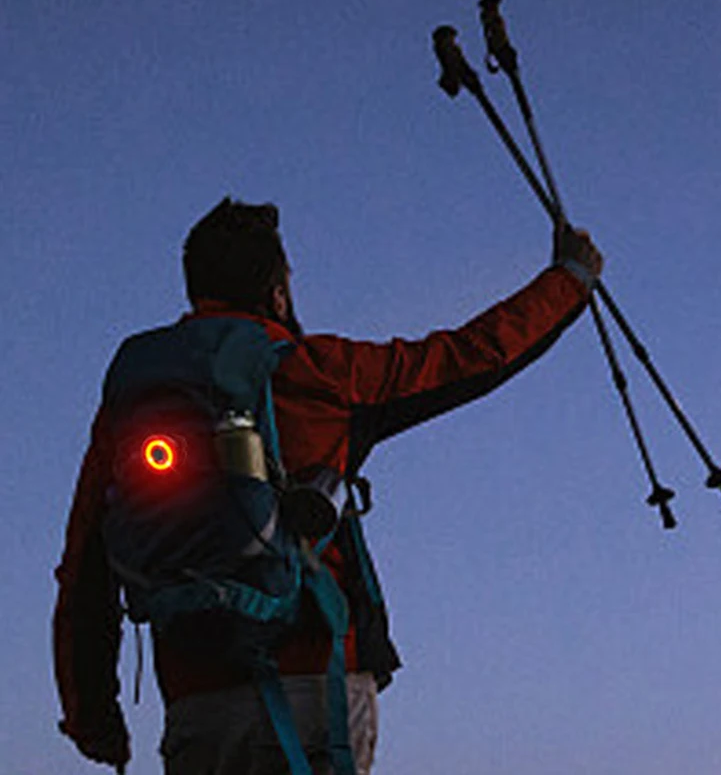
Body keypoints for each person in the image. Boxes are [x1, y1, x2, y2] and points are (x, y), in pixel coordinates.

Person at [53, 198, 603, 774]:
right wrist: (570, 279)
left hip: (200, 703)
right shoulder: (320, 371)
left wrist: (94, 718)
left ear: (195, 290)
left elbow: (85, 569)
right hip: (321, 689)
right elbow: (472, 356)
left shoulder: (134, 405)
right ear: (277, 294)